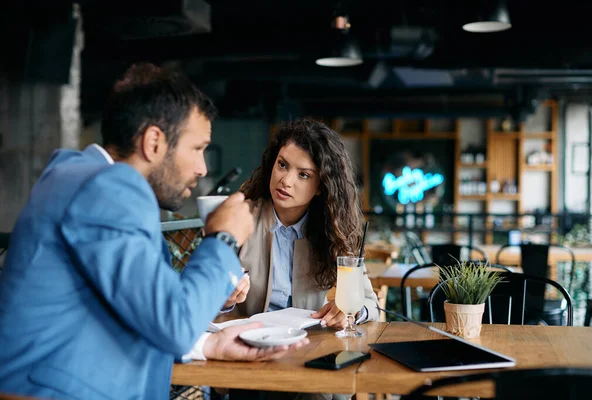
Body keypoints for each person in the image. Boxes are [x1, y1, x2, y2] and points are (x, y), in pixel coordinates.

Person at [0, 63, 307, 400]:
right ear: (154, 142)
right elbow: (172, 322)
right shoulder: (108, 188)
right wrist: (223, 238)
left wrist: (208, 342)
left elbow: (141, 313)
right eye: (197, 148)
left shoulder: (81, 179)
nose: (202, 167)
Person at [219, 119, 379, 400]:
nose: (286, 180)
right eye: (283, 165)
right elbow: (203, 301)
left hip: (312, 362)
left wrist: (349, 312)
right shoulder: (239, 218)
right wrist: (225, 298)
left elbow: (371, 305)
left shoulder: (335, 233)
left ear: (320, 186)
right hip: (250, 360)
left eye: (303, 175)